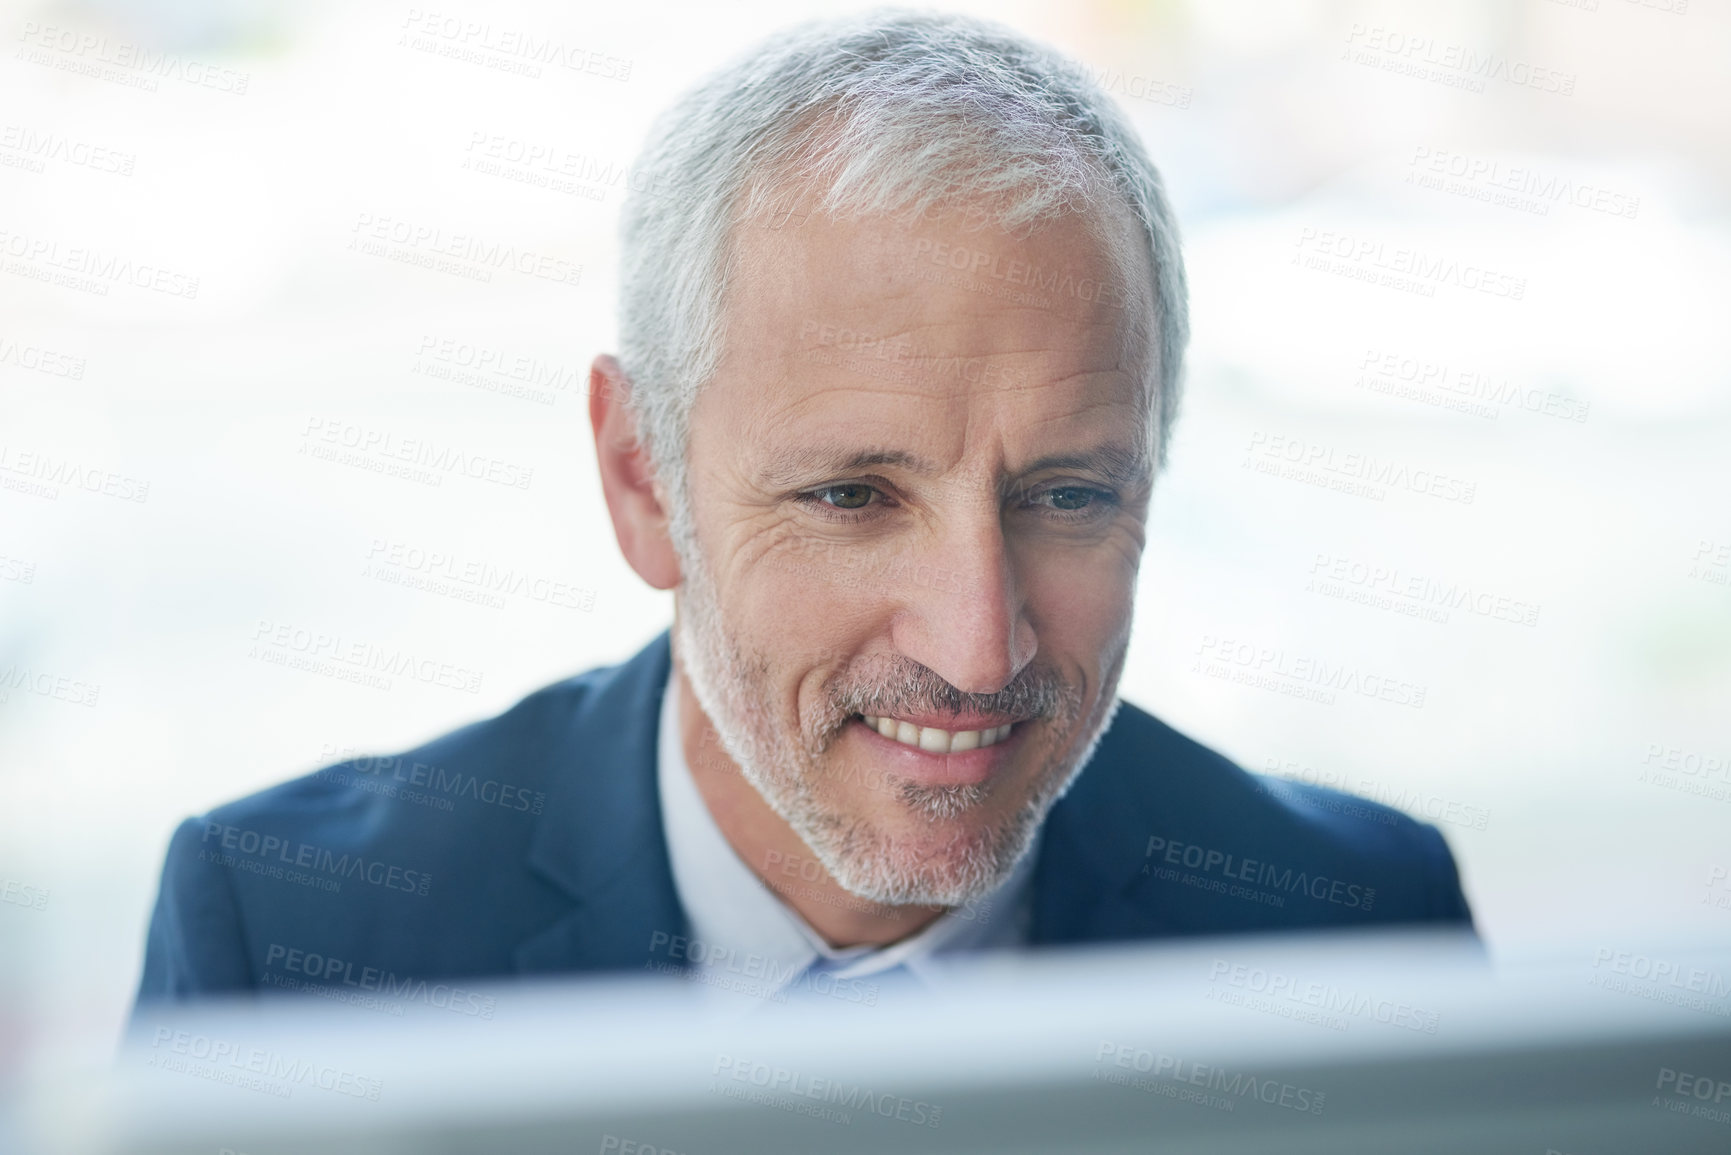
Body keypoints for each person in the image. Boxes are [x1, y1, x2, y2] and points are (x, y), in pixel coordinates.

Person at [135, 10, 1472, 1012]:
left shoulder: (1360, 928)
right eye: (851, 495)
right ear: (643, 482)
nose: (978, 653)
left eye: (1067, 495)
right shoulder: (286, 944)